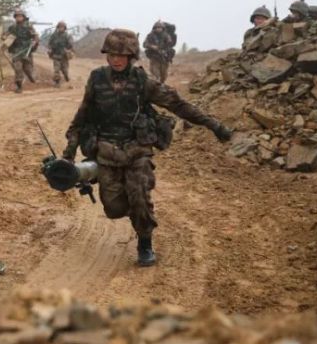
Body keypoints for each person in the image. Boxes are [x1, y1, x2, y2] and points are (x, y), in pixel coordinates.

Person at [62, 29, 233, 267]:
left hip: (137, 149)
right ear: (106, 55)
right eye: (112, 54)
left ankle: (145, 242)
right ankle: (135, 211)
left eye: (123, 55)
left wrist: (214, 125)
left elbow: (178, 105)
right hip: (106, 151)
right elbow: (82, 117)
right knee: (113, 208)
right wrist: (68, 154)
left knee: (139, 196)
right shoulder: (97, 78)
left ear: (132, 56)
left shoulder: (144, 82)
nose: (117, 59)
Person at [4, 9, 38, 93]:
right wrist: (4, 37)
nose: (18, 18)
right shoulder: (12, 27)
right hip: (16, 51)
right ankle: (19, 86)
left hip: (26, 50)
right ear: (15, 17)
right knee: (17, 68)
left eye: (20, 16)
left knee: (27, 69)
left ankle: (31, 77)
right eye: (17, 16)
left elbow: (35, 36)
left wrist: (34, 42)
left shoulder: (28, 26)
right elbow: (6, 35)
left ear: (23, 17)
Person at [47, 21, 74, 87]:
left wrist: (68, 49)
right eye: (59, 27)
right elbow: (49, 43)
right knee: (56, 70)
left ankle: (66, 77)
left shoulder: (67, 36)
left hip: (64, 56)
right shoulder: (54, 36)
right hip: (56, 55)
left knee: (65, 70)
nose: (61, 28)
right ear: (57, 28)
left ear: (65, 28)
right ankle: (57, 82)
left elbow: (71, 44)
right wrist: (50, 49)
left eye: (62, 27)